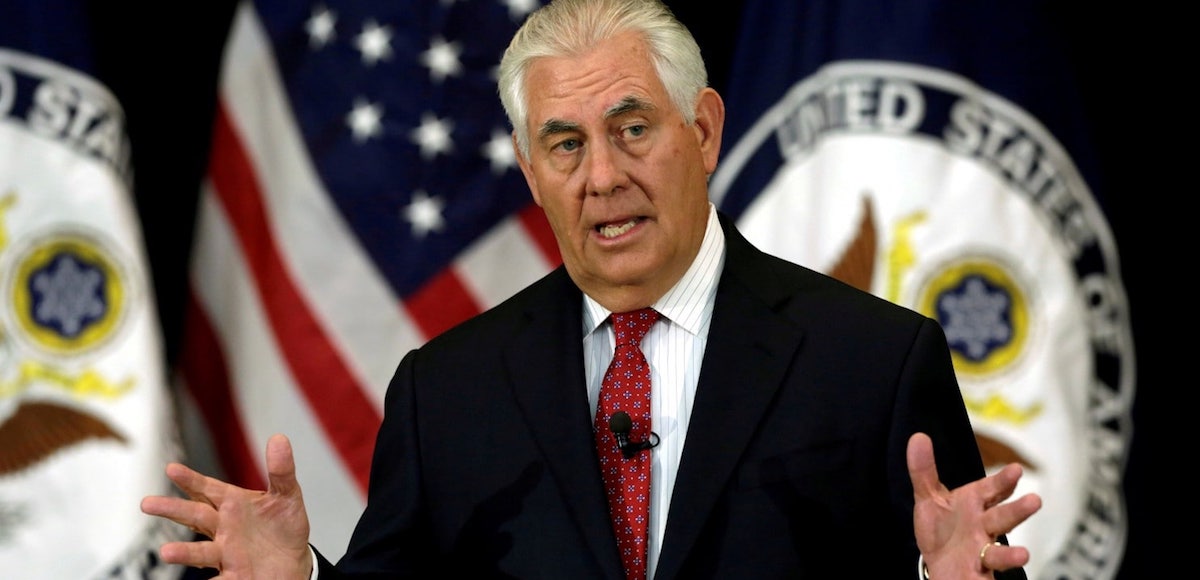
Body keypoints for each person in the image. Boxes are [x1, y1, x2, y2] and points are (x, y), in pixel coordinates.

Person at [141, 0, 1042, 577]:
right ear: (532, 172)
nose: (602, 175)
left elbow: (969, 558)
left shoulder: (874, 361)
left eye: (632, 127)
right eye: (565, 144)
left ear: (703, 131)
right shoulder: (447, 388)